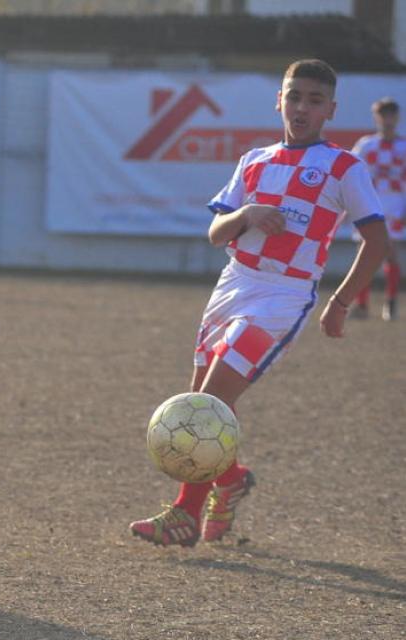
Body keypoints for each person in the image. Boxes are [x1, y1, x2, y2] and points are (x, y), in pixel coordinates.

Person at [129, 59, 389, 547]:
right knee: (199, 404)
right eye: (294, 97)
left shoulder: (343, 167)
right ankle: (229, 481)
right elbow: (216, 233)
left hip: (282, 296)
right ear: (279, 101)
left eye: (315, 100)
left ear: (331, 110)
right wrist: (248, 213)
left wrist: (340, 303)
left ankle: (185, 516)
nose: (302, 108)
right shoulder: (254, 160)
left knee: (208, 405)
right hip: (233, 284)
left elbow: (376, 242)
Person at [350, 97, 404, 321]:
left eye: (391, 115)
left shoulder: (403, 147)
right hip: (369, 207)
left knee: (391, 255)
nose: (387, 120)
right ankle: (361, 305)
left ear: (397, 117)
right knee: (363, 257)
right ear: (376, 117)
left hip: (396, 208)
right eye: (383, 115)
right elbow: (352, 175)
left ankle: (390, 304)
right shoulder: (366, 145)